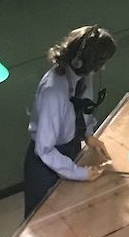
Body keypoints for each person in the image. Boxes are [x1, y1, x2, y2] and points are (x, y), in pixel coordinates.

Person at [24, 24, 117, 216]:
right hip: (45, 161)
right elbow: (44, 149)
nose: (103, 68)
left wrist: (88, 134)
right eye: (101, 63)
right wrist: (79, 173)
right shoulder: (53, 92)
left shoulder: (83, 75)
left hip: (72, 148)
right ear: (84, 62)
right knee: (44, 221)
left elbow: (82, 107)